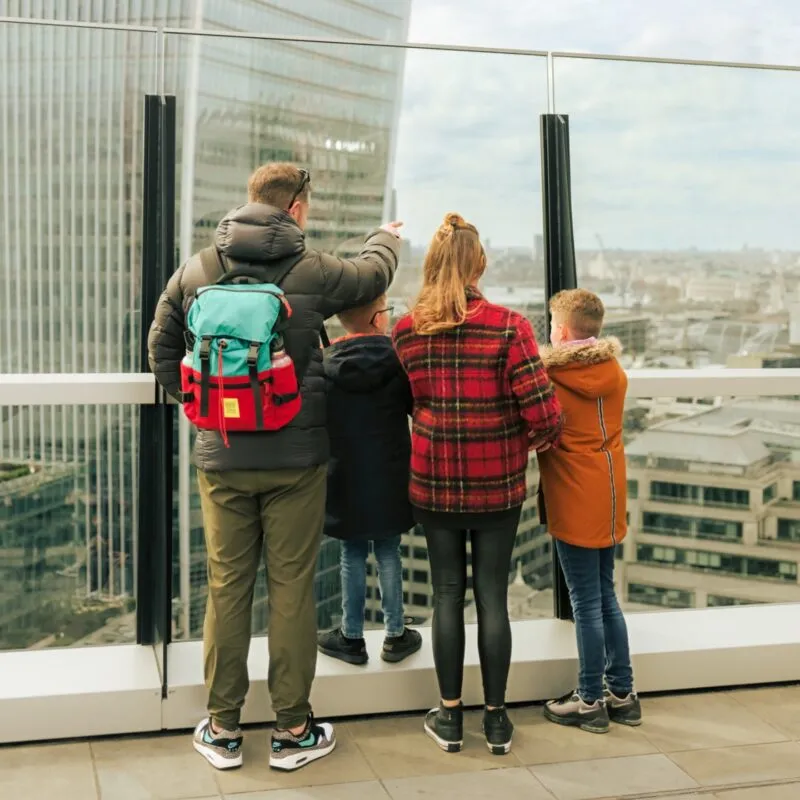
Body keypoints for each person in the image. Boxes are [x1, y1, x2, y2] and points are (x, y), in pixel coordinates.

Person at [148, 163, 402, 772]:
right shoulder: (311, 269)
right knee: (290, 592)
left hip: (225, 455)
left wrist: (201, 406)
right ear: (298, 209)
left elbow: (160, 347)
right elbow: (372, 275)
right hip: (296, 459)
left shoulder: (197, 270)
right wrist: (386, 236)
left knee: (227, 589)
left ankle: (223, 729)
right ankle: (292, 731)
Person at [392, 212, 563, 756]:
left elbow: (406, 405)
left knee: (446, 594)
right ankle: (495, 721)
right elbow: (545, 413)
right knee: (492, 597)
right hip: (497, 483)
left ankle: (449, 717)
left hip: (434, 479)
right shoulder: (511, 327)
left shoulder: (405, 329)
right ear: (479, 264)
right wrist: (526, 442)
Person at [537, 288, 641, 734]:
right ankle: (623, 694)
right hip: (610, 490)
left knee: (585, 602)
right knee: (605, 595)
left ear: (560, 330)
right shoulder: (614, 371)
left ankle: (589, 699)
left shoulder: (552, 378)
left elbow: (540, 427)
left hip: (573, 494)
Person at [316, 294, 423, 666]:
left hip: (345, 473)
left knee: (352, 554)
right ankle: (395, 634)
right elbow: (416, 407)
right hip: (391, 471)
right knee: (389, 551)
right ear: (379, 320)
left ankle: (351, 636)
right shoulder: (399, 361)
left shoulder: (325, 364)